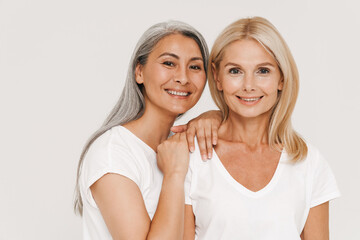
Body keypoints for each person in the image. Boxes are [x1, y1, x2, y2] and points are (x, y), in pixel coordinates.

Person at [183, 17, 340, 240]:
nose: (249, 85)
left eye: (263, 71)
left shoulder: (308, 162)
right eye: (235, 71)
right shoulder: (193, 156)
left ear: (281, 79)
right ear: (217, 78)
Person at [73, 20, 213, 239]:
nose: (183, 78)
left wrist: (216, 117)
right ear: (139, 72)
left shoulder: (185, 147)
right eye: (169, 63)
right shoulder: (113, 153)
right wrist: (174, 175)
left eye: (194, 66)